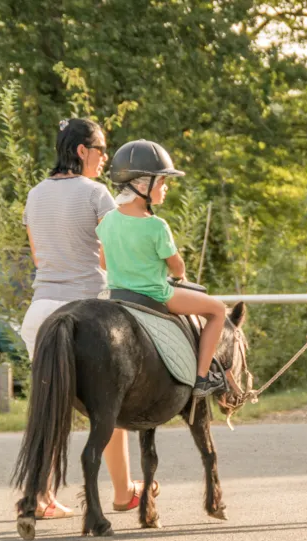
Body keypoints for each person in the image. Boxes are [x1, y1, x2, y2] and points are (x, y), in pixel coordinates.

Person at [20, 119, 158, 519]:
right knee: (108, 404)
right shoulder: (97, 194)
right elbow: (110, 253)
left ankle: (40, 496)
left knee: (52, 404)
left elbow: (37, 256)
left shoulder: (34, 195)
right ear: (82, 151)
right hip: (87, 310)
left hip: (42, 311)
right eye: (100, 150)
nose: (103, 159)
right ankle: (121, 491)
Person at [96, 139, 227, 396]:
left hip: (118, 296)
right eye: (163, 182)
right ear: (143, 185)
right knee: (218, 310)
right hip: (156, 295)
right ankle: (202, 378)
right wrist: (178, 274)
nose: (165, 189)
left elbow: (103, 262)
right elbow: (177, 267)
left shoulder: (108, 219)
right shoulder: (157, 226)